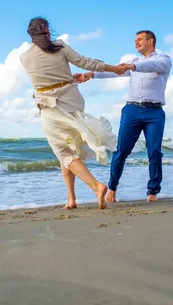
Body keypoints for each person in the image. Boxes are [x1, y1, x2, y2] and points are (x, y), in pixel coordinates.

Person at [20, 17, 127, 210]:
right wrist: (114, 69)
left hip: (50, 108)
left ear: (30, 33)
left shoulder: (25, 57)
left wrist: (66, 79)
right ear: (46, 30)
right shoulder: (59, 47)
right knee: (69, 150)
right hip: (71, 102)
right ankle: (71, 199)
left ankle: (96, 187)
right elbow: (86, 63)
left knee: (63, 151)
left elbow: (43, 79)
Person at [80, 30, 171, 202]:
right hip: (132, 110)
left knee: (154, 152)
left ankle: (152, 192)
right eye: (135, 40)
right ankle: (112, 188)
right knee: (121, 150)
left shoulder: (163, 59)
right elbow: (115, 71)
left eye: (140, 39)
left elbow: (151, 66)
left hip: (154, 112)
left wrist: (133, 67)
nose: (136, 42)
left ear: (151, 41)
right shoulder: (134, 62)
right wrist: (92, 74)